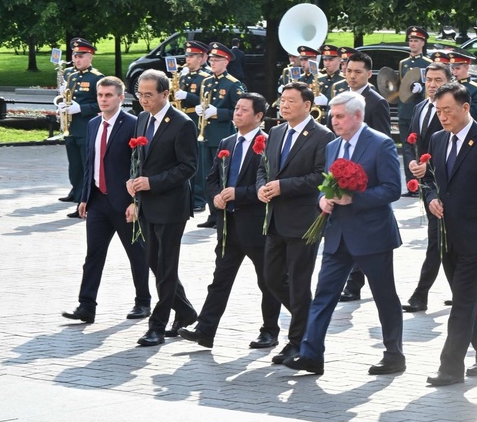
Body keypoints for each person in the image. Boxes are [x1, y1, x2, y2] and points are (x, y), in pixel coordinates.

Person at [285, 91, 406, 376]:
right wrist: (322, 200)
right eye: (332, 116)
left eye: (340, 116)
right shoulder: (332, 146)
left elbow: (391, 189)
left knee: (384, 295)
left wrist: (355, 199)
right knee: (324, 295)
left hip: (371, 234)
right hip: (337, 233)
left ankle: (394, 354)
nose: (334, 121)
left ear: (358, 116)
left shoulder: (380, 144)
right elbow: (325, 183)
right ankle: (311, 354)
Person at [424, 83, 477, 386]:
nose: (443, 117)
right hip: (447, 234)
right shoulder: (437, 140)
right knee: (470, 297)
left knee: (461, 301)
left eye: (448, 110)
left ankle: (450, 367)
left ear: (465, 107)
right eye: (438, 111)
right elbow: (432, 182)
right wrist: (430, 198)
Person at [178, 93, 281, 350]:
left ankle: (270, 331)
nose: (237, 113)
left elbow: (265, 185)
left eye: (244, 110)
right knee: (220, 279)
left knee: (268, 281)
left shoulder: (268, 143)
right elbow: (212, 179)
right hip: (228, 225)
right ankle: (205, 329)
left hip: (256, 226)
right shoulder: (227, 141)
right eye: (236, 108)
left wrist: (239, 194)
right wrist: (215, 198)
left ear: (258, 116)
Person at [62, 76, 151, 323]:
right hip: (98, 201)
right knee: (93, 255)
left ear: (121, 98)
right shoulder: (93, 124)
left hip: (125, 203)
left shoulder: (134, 124)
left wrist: (136, 202)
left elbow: (141, 165)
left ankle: (143, 302)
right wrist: (84, 197)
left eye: (109, 95)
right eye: (100, 95)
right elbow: (91, 163)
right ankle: (86, 306)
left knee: (137, 253)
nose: (103, 99)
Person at [257, 82, 333, 365]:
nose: (284, 105)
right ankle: (311, 321)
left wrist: (283, 186)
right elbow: (263, 168)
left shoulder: (321, 136)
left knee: (299, 283)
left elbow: (319, 177)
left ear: (307, 105)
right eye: (282, 100)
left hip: (304, 220)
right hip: (275, 217)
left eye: (290, 101)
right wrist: (262, 187)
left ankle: (297, 341)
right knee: (271, 277)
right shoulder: (275, 132)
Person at [126, 70, 200, 347]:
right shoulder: (142, 119)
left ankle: (157, 325)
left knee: (166, 267)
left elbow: (188, 167)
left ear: (164, 94)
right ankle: (186, 311)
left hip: (170, 206)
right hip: (146, 203)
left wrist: (152, 182)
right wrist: (133, 185)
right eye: (140, 95)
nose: (143, 100)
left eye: (149, 95)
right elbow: (138, 158)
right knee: (154, 262)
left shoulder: (182, 124)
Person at [336, 50, 393, 301]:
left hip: (364, 176)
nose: (352, 76)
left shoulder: (376, 101)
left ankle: (354, 283)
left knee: (361, 228)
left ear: (369, 74)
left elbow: (381, 141)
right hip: (339, 170)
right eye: (348, 70)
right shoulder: (340, 96)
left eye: (358, 72)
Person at [401, 62, 453, 312]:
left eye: (438, 81)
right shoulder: (421, 107)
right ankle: (464, 291)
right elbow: (411, 140)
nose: (432, 85)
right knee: (445, 240)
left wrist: (427, 163)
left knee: (437, 240)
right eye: (429, 80)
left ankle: (420, 294)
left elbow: (452, 146)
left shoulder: (453, 111)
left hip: (445, 183)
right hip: (425, 182)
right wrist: (412, 162)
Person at [194, 41, 246, 228]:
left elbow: (242, 111)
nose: (212, 63)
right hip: (206, 134)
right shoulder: (206, 82)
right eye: (212, 59)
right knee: (208, 176)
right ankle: (213, 214)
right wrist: (201, 109)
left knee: (222, 175)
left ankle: (223, 213)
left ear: (226, 61)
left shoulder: (233, 84)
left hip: (222, 136)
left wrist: (218, 113)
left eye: (217, 60)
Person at [59, 38, 103, 218]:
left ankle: (84, 200)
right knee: (74, 164)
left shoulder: (97, 78)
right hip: (71, 126)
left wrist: (82, 109)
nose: (76, 59)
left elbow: (103, 104)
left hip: (86, 126)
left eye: (81, 56)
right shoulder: (69, 74)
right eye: (74, 56)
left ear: (90, 56)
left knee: (87, 165)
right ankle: (75, 191)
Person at [172, 40, 212, 215]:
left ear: (202, 58)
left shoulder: (206, 76)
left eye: (191, 56)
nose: (187, 59)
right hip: (181, 117)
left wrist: (188, 95)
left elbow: (207, 99)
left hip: (196, 119)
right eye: (187, 55)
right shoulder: (182, 75)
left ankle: (199, 198)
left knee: (198, 161)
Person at [398, 26, 433, 145]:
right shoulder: (403, 63)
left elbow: (432, 86)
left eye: (416, 41)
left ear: (422, 43)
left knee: (419, 145)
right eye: (411, 40)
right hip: (404, 109)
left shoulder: (428, 63)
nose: (412, 44)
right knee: (405, 145)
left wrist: (421, 89)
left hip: (419, 108)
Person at [448, 50, 477, 121]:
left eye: (458, 68)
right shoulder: (449, 86)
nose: (454, 72)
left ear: (467, 68)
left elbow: (475, 114)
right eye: (453, 69)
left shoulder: (476, 88)